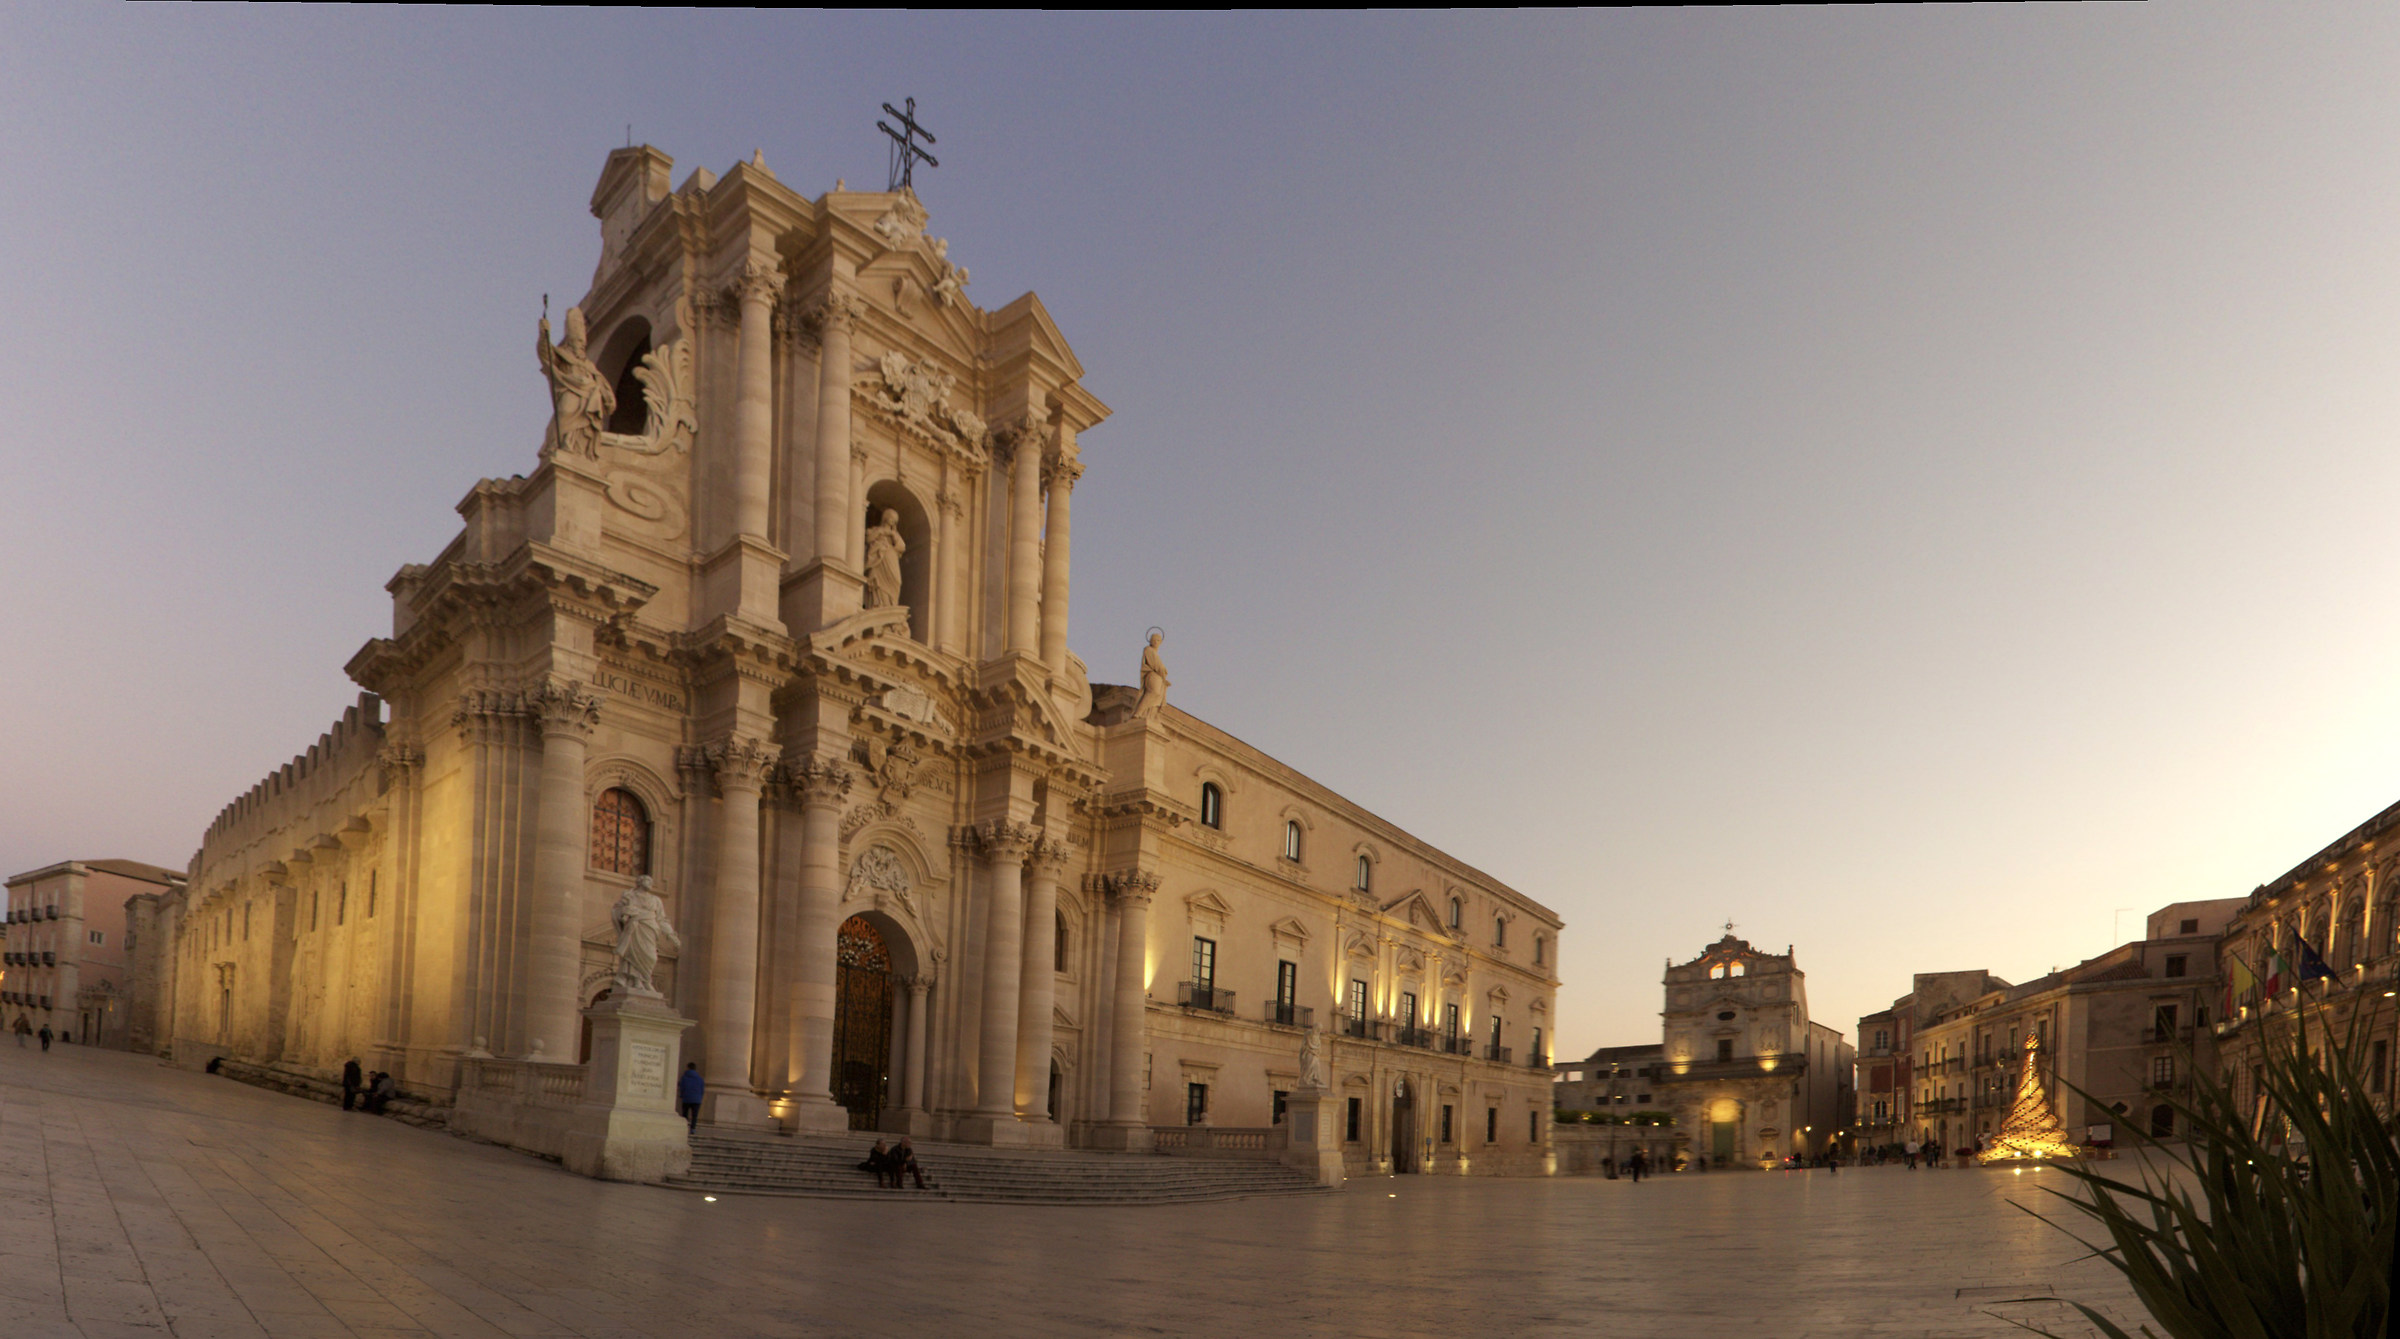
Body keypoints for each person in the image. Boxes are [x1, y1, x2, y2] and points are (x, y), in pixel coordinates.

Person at [677, 1063, 705, 1131]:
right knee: (694, 1115)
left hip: (686, 1098)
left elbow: (682, 1087)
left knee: (685, 1114)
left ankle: (684, 1128)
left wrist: (682, 1095)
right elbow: (702, 1090)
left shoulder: (684, 1077)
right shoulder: (700, 1079)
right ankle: (693, 1128)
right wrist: (700, 1097)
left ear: (688, 1068)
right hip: (697, 1099)